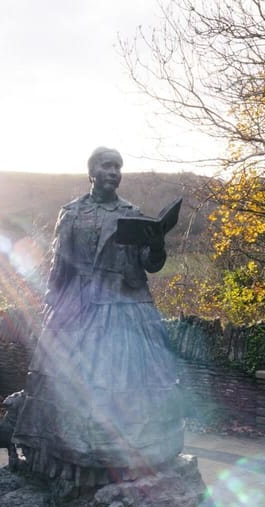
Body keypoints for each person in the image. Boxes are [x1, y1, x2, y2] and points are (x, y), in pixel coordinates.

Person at [12, 147, 183, 483]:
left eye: (118, 167)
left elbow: (149, 264)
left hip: (125, 304)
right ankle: (72, 456)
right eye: (107, 166)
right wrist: (51, 306)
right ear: (92, 172)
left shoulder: (132, 214)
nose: (114, 172)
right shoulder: (72, 214)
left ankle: (135, 452)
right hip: (81, 305)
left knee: (130, 380)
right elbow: (60, 267)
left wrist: (157, 245)